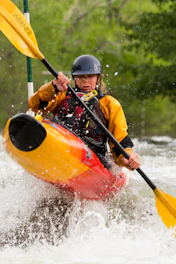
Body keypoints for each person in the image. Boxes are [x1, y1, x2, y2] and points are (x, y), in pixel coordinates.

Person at [28, 54, 140, 170]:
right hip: (61, 147)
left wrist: (127, 156)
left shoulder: (109, 104)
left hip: (94, 159)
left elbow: (120, 140)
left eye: (90, 76)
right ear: (74, 78)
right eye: (81, 77)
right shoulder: (60, 96)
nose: (85, 81)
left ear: (98, 78)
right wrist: (53, 87)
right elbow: (34, 105)